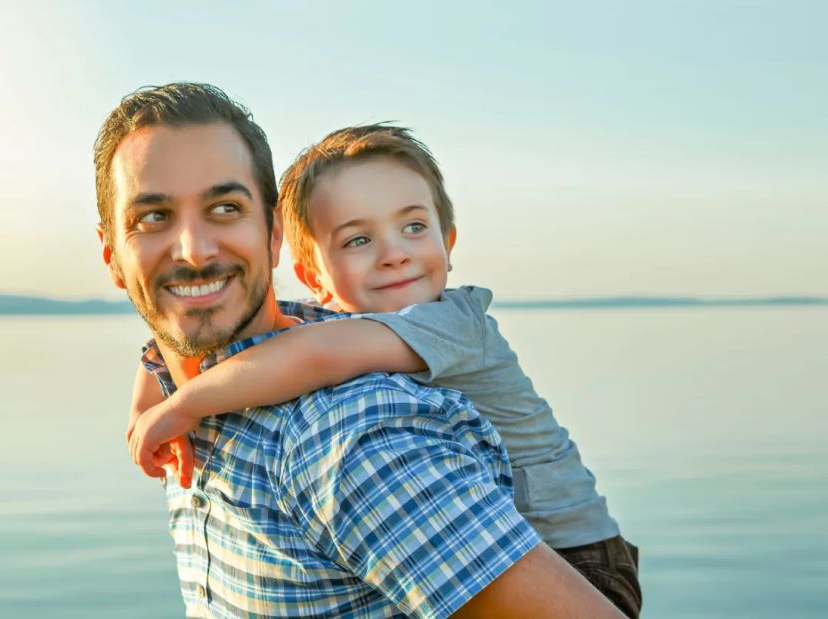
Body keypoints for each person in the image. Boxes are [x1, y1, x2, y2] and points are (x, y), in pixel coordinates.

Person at [95, 81, 624, 617]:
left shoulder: (358, 432)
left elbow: (316, 355)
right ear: (111, 254)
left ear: (273, 234)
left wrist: (182, 405)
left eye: (225, 207)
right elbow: (172, 352)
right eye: (154, 217)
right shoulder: (309, 337)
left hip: (578, 552)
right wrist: (152, 405)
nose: (194, 250)